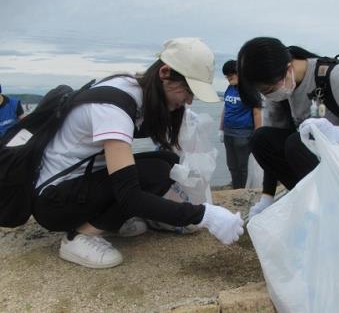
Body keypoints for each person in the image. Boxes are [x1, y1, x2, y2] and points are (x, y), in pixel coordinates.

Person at [32, 37, 244, 269]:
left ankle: (108, 222)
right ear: (165, 73)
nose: (189, 100)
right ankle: (78, 237)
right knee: (154, 173)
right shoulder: (113, 108)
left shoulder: (132, 88)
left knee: (167, 162)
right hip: (55, 202)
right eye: (188, 91)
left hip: (78, 185)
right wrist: (205, 215)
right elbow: (130, 195)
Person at [236, 37, 339, 220]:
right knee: (260, 138)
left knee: (297, 142)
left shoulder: (337, 77)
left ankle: (337, 209)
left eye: (269, 90)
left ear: (288, 69)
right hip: (323, 162)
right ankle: (313, 201)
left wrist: (338, 134)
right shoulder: (279, 91)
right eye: (263, 92)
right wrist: (267, 196)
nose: (268, 96)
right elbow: (270, 148)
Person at [219, 60, 262, 189]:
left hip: (243, 134)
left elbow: (257, 113)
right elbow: (226, 108)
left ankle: (241, 189)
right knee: (231, 164)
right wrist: (221, 129)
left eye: (230, 76)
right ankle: (235, 187)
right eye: (226, 77)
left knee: (242, 165)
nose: (228, 79)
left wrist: (258, 134)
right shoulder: (230, 87)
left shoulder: (250, 89)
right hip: (228, 132)